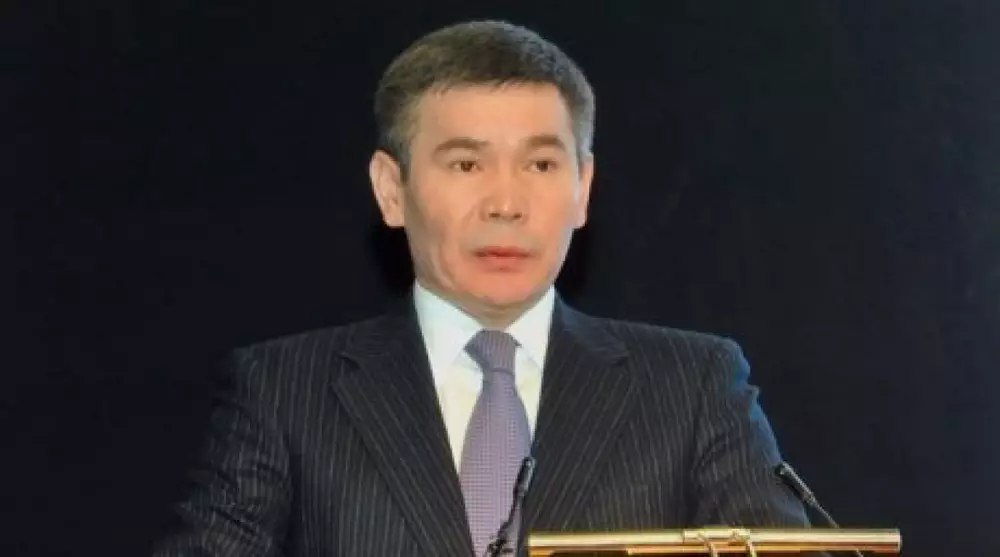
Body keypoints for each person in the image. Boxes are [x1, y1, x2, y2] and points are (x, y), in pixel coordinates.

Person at [151, 19, 811, 557]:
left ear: (582, 188)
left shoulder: (693, 386)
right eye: (467, 164)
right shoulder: (285, 390)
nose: (506, 202)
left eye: (540, 164)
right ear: (391, 189)